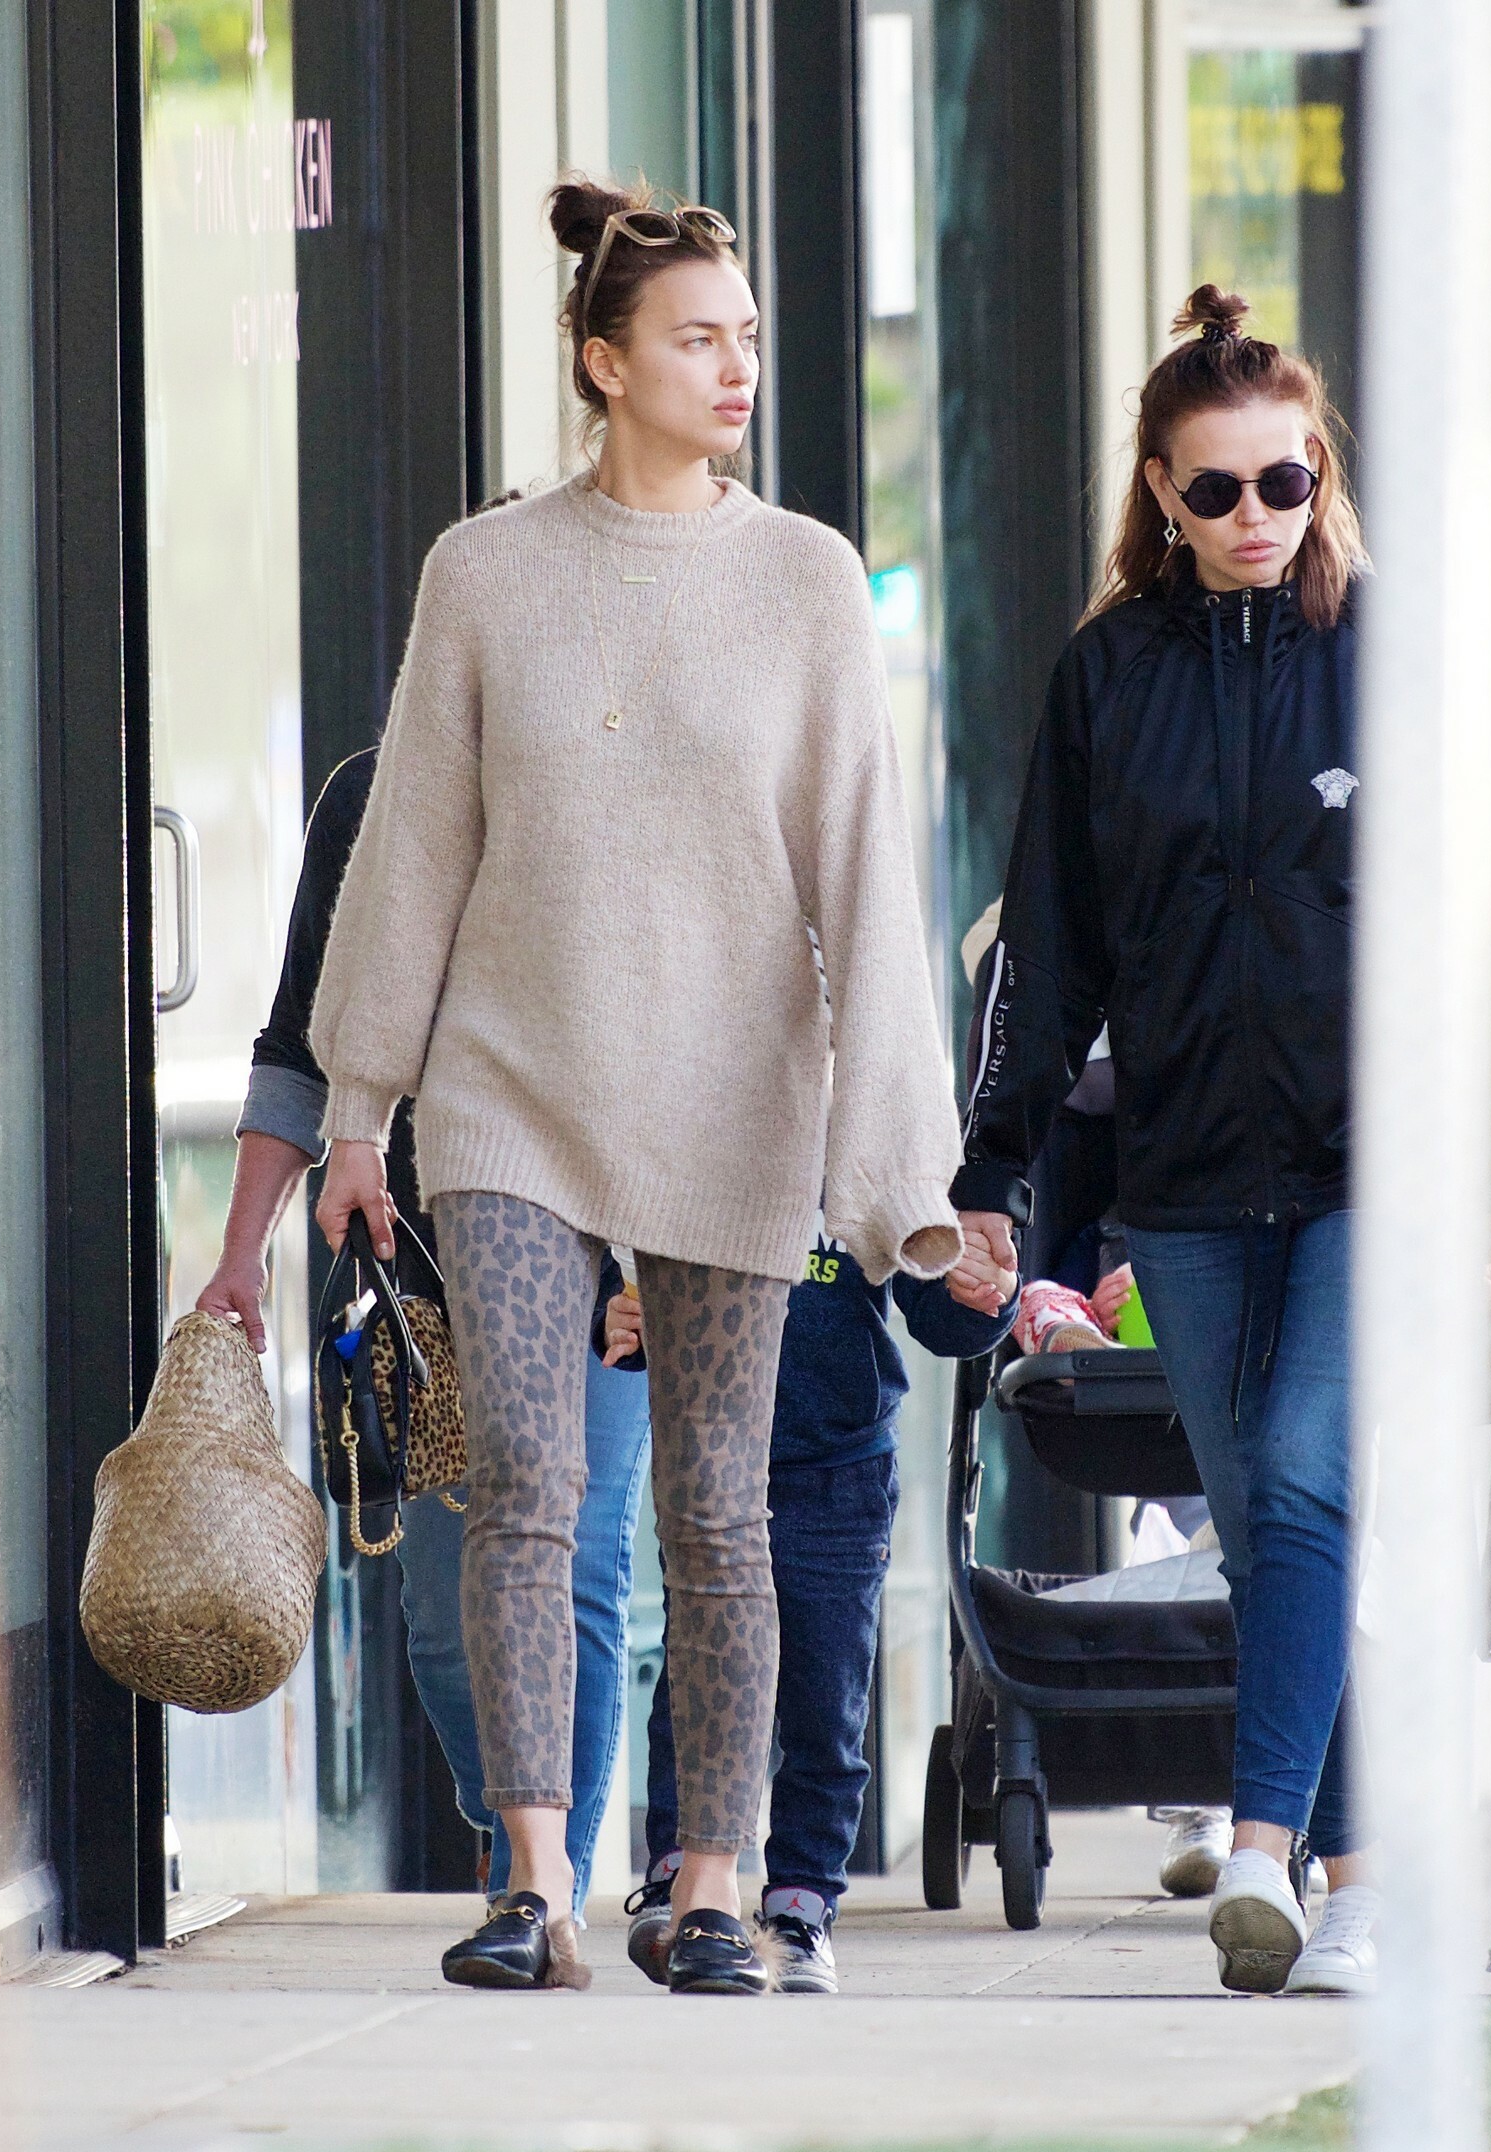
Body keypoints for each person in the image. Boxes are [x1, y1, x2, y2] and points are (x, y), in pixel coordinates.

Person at [307, 176, 988, 1994]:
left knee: (714, 1507)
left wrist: (897, 1170)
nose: (737, 366)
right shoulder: (485, 574)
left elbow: (866, 876)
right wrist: (360, 1105)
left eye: (747, 336)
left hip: (733, 1099)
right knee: (526, 1478)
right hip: (511, 1092)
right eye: (698, 339)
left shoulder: (806, 580)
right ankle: (534, 1880)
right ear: (606, 363)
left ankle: (710, 1887)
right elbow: (413, 850)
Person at [951, 286, 1375, 1996]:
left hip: (1368, 1164)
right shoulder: (1105, 677)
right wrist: (994, 1168)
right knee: (1266, 1523)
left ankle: (1264, 1845)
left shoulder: (1389, 655)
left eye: (1286, 481)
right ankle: (1358, 1883)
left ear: (1319, 469)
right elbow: (1046, 950)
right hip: (1185, 1173)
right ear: (1160, 493)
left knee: (1308, 1475)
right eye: (1217, 490)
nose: (1257, 515)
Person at [196, 745, 652, 1921]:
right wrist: (242, 1255)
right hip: (423, 1287)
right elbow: (299, 1048)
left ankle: (539, 1884)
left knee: (576, 1570)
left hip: (602, 1264)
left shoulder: (619, 778)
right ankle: (512, 1816)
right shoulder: (369, 797)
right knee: (446, 1624)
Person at [612, 1204, 1016, 1992]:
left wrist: (983, 1294)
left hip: (840, 1467)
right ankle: (678, 1876)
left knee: (826, 1702)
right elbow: (633, 1274)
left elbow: (939, 1308)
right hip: (710, 1452)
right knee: (698, 1679)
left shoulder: (861, 1158)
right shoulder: (697, 1144)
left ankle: (801, 1905)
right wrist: (617, 1312)